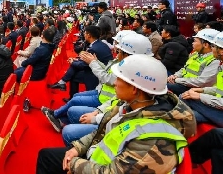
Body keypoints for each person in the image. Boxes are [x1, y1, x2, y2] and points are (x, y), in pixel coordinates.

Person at [36, 54, 196, 174]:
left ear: (134, 89)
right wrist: (77, 148)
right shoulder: (130, 104)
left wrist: (74, 164)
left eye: (119, 79)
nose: (115, 83)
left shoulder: (154, 139)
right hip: (96, 158)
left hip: (105, 168)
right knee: (47, 155)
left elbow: (113, 172)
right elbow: (102, 131)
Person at [180, 30, 223, 127]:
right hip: (217, 105)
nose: (212, 50)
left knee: (184, 98)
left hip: (219, 109)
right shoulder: (221, 65)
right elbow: (220, 90)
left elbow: (203, 81)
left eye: (214, 46)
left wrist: (200, 96)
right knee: (191, 114)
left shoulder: (215, 62)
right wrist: (202, 90)